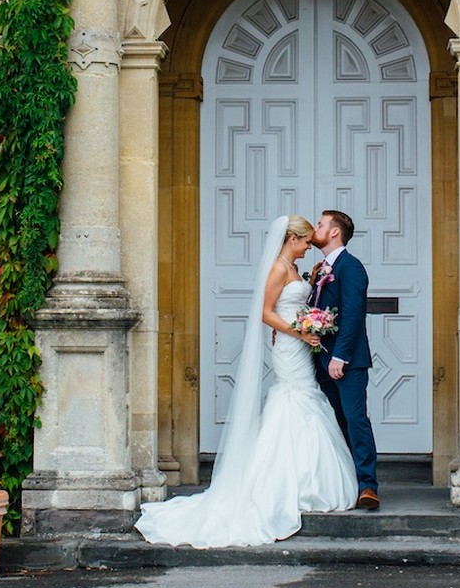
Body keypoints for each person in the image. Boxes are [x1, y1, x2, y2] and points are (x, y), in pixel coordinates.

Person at [135, 214, 357, 548]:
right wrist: (299, 332)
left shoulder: (298, 270)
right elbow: (266, 312)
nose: (310, 247)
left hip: (299, 346)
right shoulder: (279, 268)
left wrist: (310, 319)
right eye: (306, 242)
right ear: (292, 239)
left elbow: (298, 303)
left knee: (305, 398)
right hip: (289, 347)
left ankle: (307, 479)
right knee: (292, 399)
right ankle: (282, 483)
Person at [310, 209, 379, 510]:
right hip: (320, 361)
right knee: (335, 423)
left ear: (335, 232)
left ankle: (368, 486)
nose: (316, 228)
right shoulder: (320, 269)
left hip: (346, 361)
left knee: (355, 420)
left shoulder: (351, 267)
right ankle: (346, 481)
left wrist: (340, 356)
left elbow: (353, 314)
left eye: (321, 224)